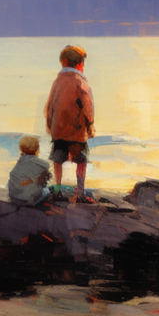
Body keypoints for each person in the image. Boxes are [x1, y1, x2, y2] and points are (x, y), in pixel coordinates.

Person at [43, 44, 95, 202]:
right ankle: (80, 193)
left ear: (64, 62)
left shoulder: (57, 82)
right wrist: (90, 125)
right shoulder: (81, 82)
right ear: (79, 64)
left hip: (58, 130)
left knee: (58, 160)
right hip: (76, 131)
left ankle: (57, 190)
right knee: (81, 161)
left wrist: (50, 124)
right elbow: (88, 107)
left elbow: (49, 107)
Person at [6, 135, 51, 207]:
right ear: (37, 150)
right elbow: (46, 172)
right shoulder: (42, 164)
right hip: (29, 200)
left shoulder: (20, 162)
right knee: (46, 191)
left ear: (22, 149)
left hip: (14, 198)